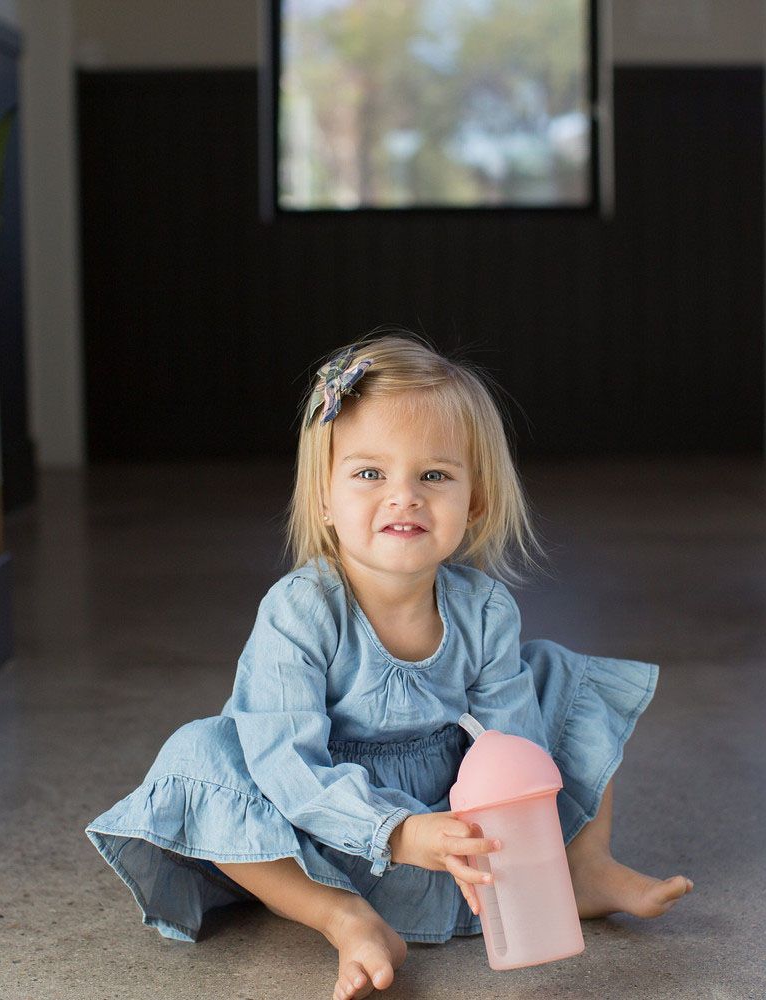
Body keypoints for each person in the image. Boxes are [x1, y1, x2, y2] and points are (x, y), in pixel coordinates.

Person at [85, 329, 693, 1000]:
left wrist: (505, 837)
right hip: (329, 829)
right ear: (324, 496)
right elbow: (286, 764)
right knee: (197, 755)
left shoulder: (483, 609)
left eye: (433, 475)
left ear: (476, 501)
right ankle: (343, 917)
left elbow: (510, 741)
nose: (403, 496)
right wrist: (398, 831)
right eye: (370, 473)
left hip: (449, 812)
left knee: (565, 679)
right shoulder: (301, 611)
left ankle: (579, 868)